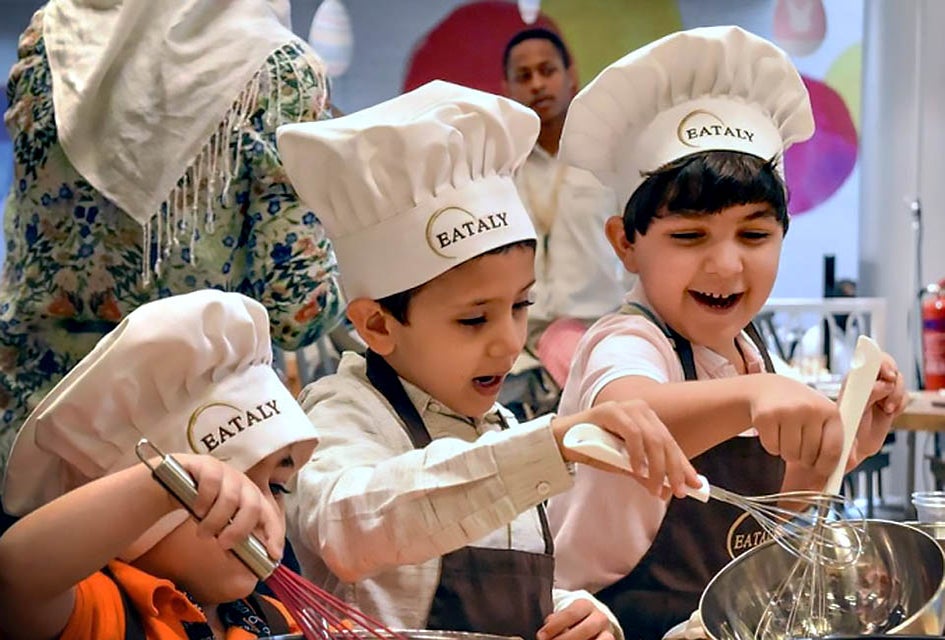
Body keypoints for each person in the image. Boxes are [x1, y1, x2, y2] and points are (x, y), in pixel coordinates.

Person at [275, 80, 700, 640]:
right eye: (473, 319)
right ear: (377, 324)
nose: (507, 342)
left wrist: (576, 611)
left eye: (521, 306)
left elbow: (510, 593)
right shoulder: (342, 413)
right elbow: (351, 525)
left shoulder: (500, 429)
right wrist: (548, 446)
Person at [544, 26, 908, 640]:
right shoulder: (629, 341)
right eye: (689, 237)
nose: (726, 265)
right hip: (597, 623)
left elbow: (761, 541)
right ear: (625, 244)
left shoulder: (748, 356)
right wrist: (756, 398)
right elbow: (628, 413)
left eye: (755, 235)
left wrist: (837, 448)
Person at [0, 0, 343, 490]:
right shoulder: (277, 70)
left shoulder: (51, 32)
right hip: (180, 459)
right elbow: (298, 309)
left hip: (28, 431)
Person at [0, 289, 319, 639]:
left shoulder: (272, 619)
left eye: (277, 486)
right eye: (223, 490)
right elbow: (16, 575)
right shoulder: (98, 613)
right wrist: (161, 485)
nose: (262, 511)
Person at [502, 28, 634, 389]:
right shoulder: (499, 167)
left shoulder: (608, 160)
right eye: (523, 76)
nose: (537, 84)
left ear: (571, 76)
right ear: (508, 89)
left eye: (548, 70)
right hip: (523, 337)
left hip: (605, 327)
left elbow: (639, 246)